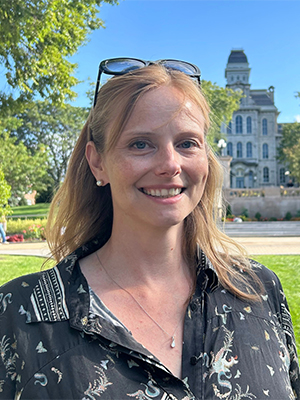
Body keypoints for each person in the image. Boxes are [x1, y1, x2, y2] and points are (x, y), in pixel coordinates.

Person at [0, 58, 299, 400]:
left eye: (187, 143)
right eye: (141, 144)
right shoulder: (18, 315)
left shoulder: (260, 293)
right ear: (98, 161)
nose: (170, 165)